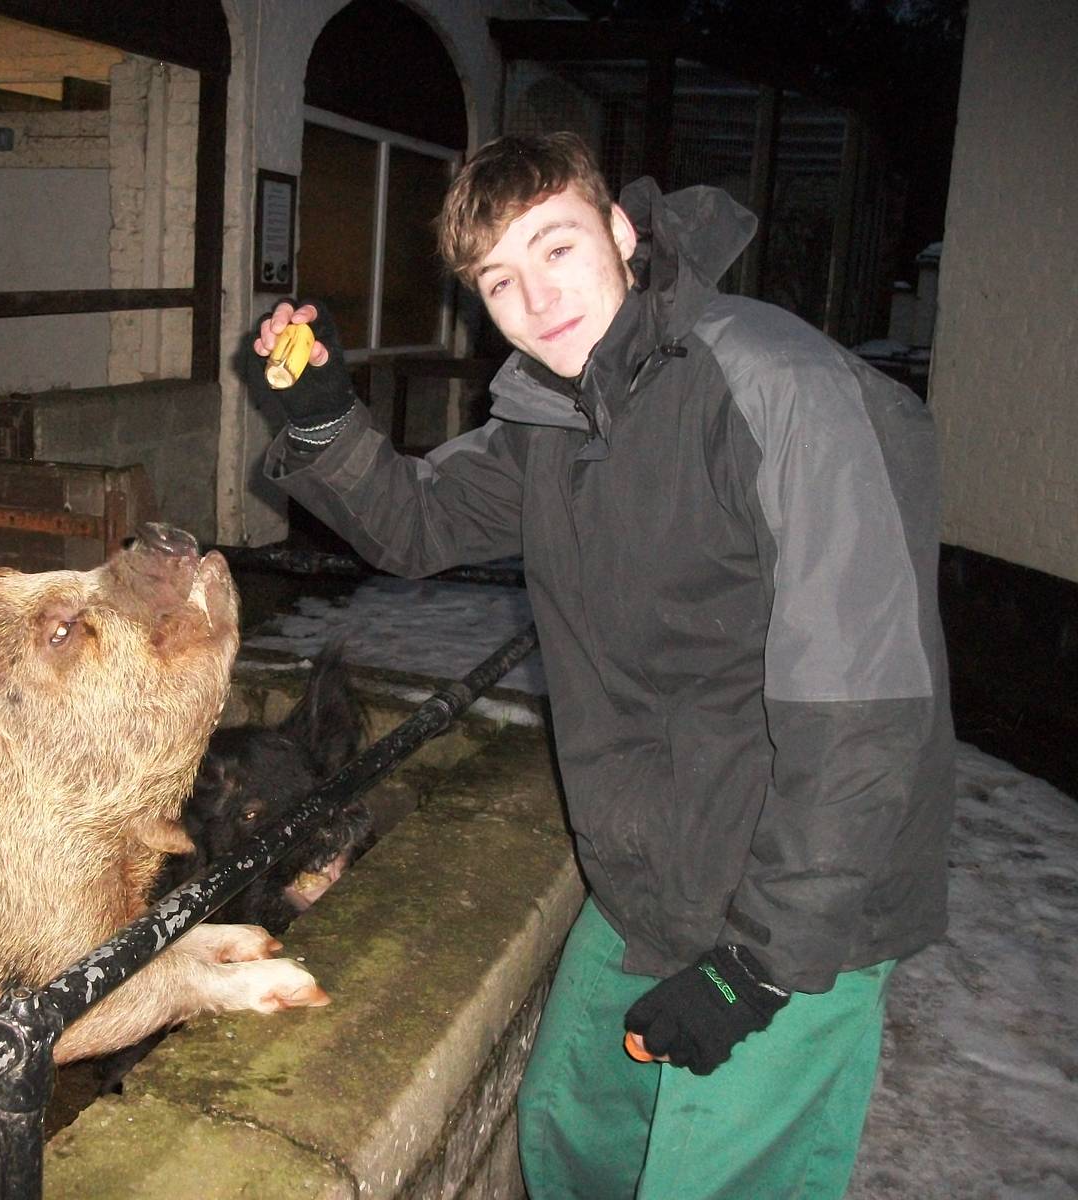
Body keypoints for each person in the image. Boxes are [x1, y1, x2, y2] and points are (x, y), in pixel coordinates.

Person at [251, 132, 954, 1198]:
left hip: (795, 902)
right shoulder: (558, 413)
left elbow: (862, 717)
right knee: (575, 1134)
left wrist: (760, 968)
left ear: (623, 232)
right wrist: (321, 421)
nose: (536, 298)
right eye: (499, 280)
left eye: (557, 247)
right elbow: (418, 523)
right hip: (651, 877)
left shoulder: (779, 391)